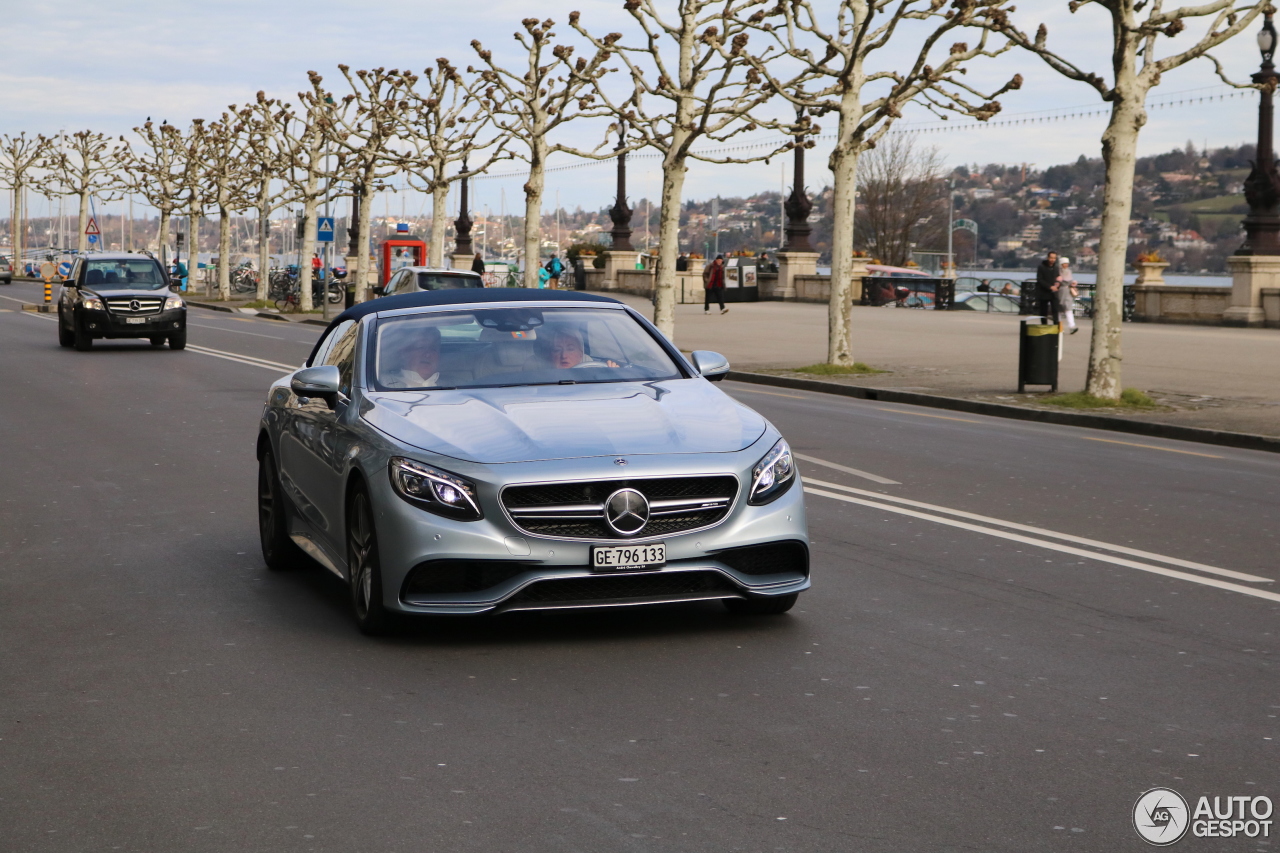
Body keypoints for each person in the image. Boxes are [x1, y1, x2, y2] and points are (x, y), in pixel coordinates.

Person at [545, 326, 618, 369]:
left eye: (570, 349)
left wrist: (611, 373)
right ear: (551, 355)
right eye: (557, 350)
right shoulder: (541, 378)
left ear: (581, 353)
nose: (564, 355)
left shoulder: (593, 373)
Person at [1034, 250, 1061, 326]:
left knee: (1055, 310)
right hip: (1044, 292)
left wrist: (1058, 284)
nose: (1052, 260)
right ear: (1048, 257)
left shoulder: (1056, 267)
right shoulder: (1041, 267)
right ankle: (1044, 325)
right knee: (1043, 311)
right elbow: (1040, 279)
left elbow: (1058, 278)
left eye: (1054, 258)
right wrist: (1049, 286)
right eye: (1051, 258)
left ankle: (1056, 326)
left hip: (1054, 293)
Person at [1057, 258, 1080, 334]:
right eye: (1064, 263)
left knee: (1068, 309)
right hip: (1061, 291)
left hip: (1066, 292)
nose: (1066, 264)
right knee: (1060, 310)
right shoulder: (1058, 271)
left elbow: (1068, 280)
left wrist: (1072, 283)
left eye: (1067, 263)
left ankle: (1071, 326)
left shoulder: (1068, 271)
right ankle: (1061, 328)